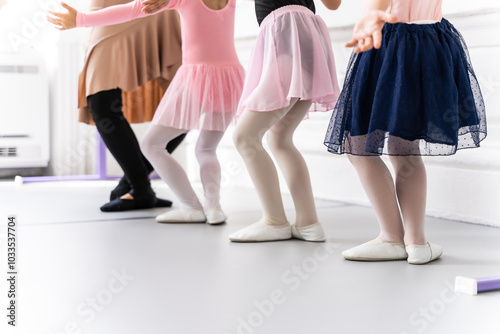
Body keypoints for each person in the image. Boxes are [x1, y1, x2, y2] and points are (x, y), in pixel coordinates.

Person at [49, 0, 245, 224]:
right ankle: (214, 208)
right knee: (207, 149)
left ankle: (190, 206)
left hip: (195, 76)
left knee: (152, 144)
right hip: (231, 79)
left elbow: (132, 9)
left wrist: (81, 19)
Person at [324, 0, 487, 264]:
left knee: (359, 145)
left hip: (392, 42)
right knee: (404, 149)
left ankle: (392, 238)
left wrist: (370, 15)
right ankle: (416, 243)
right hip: (431, 40)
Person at [48, 0, 186, 212]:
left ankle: (135, 186)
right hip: (108, 9)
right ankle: (138, 185)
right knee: (101, 100)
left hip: (158, 8)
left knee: (186, 107)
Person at [228, 0, 342, 242]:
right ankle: (308, 223)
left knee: (245, 137)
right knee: (280, 138)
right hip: (306, 34)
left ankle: (274, 221)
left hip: (287, 31)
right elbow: (333, 4)